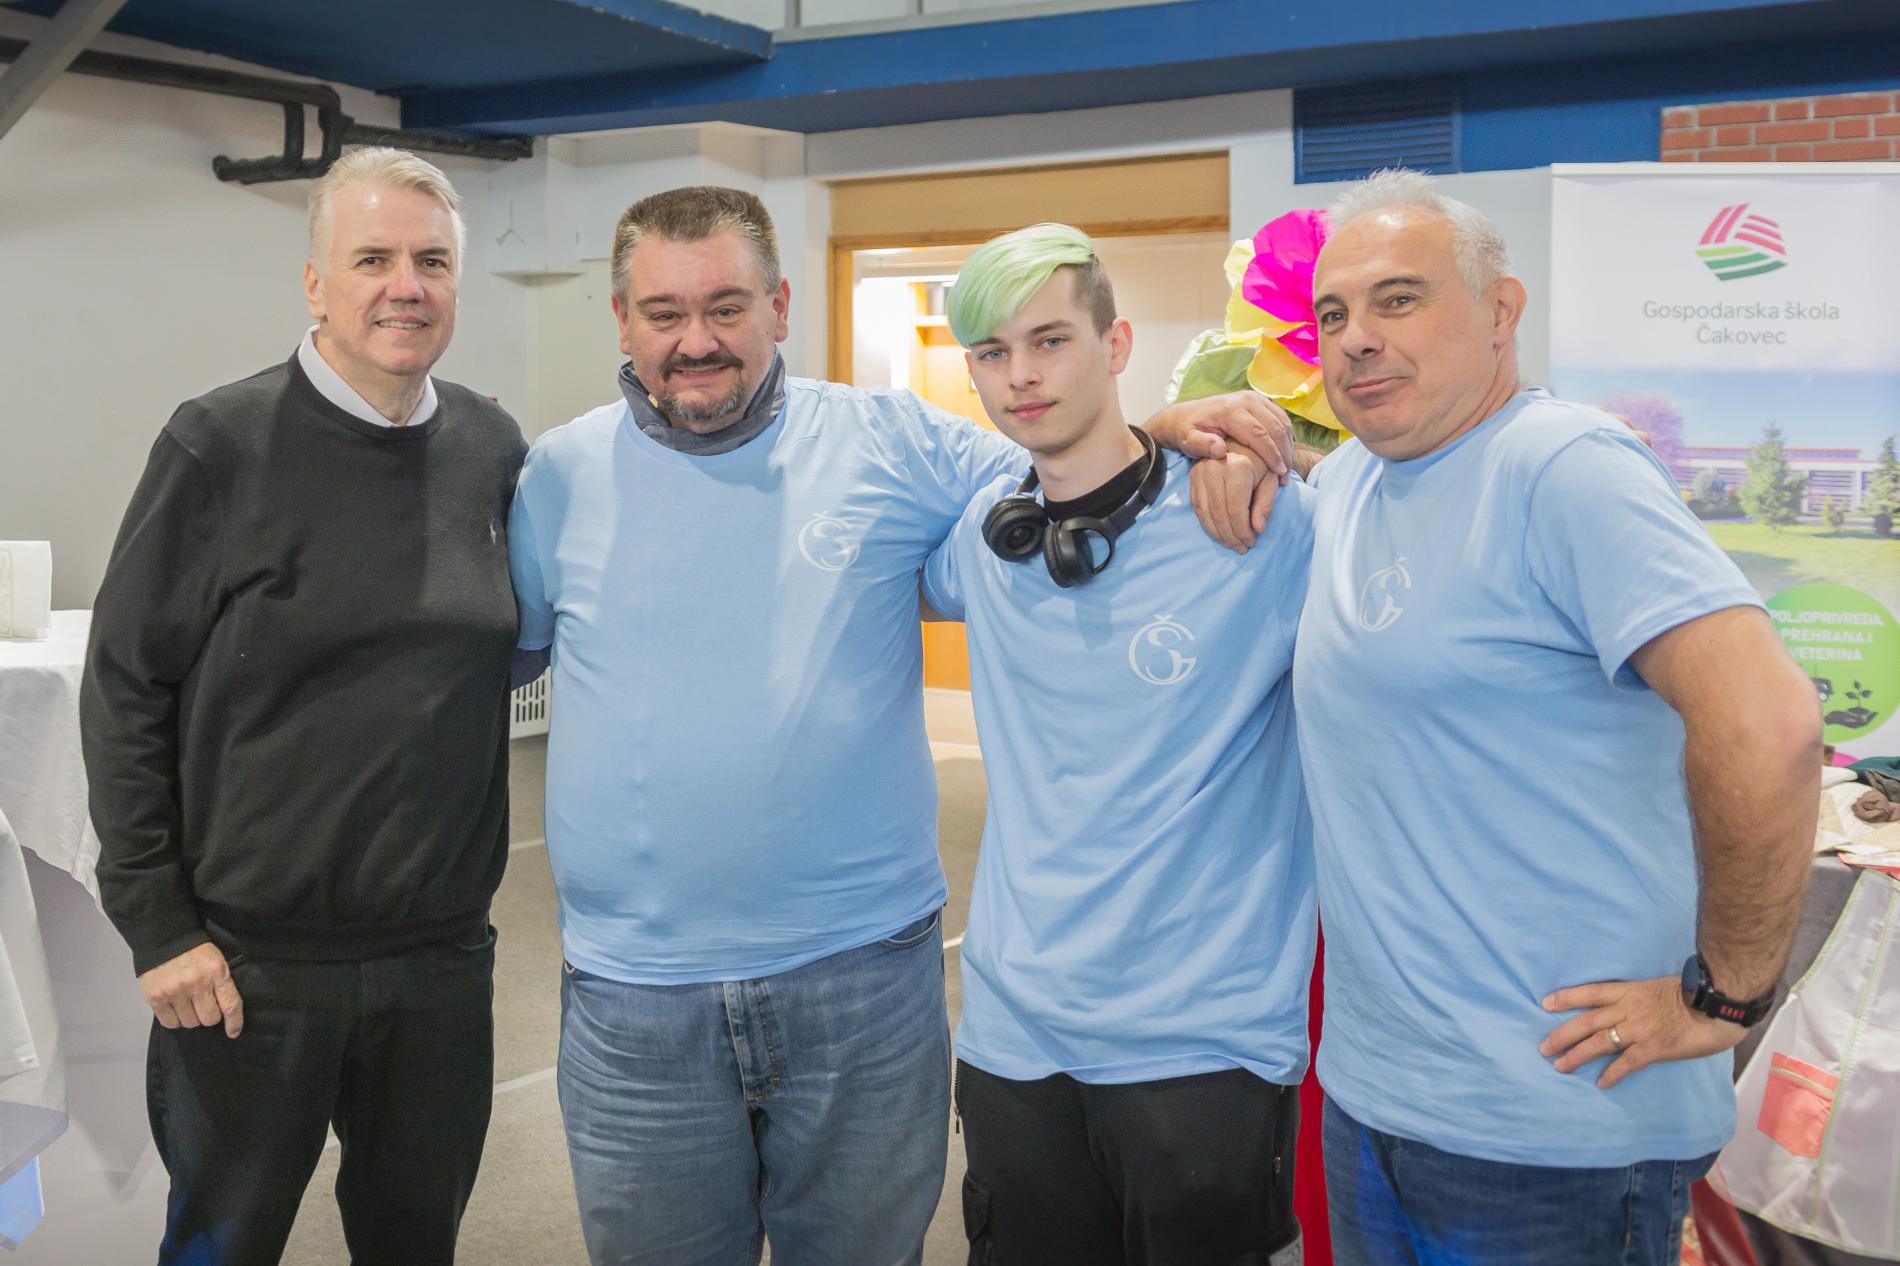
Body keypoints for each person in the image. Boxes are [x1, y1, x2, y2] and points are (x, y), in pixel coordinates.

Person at [506, 186, 1291, 1265]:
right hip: (634, 999)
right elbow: (493, 663)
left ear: (781, 305)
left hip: (862, 984)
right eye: (663, 313)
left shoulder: (894, 441)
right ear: (621, 320)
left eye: (727, 307)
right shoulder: (556, 476)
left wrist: (1164, 430)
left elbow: (1061, 471)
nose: (696, 341)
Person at [1290, 168, 1821, 1266]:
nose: (1356, 338)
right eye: (1332, 314)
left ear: (1500, 312)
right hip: (1376, 1100)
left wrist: (1725, 997)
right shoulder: (1349, 484)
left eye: (1398, 299)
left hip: (1552, 1135)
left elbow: (1767, 723)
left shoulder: (1561, 468)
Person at [82, 148, 526, 1266]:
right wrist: (159, 926)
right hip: (246, 969)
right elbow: (127, 687)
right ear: (316, 283)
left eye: (432, 262)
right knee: (221, 1250)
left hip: (439, 962)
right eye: (372, 259)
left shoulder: (491, 448)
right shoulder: (218, 445)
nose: (405, 286)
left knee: (415, 1244)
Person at [920, 222, 1311, 1265]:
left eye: (1049, 341)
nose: (1021, 375)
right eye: (992, 353)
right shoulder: (985, 537)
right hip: (1014, 1039)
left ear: (1117, 343)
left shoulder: (1257, 520)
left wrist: (1265, 450)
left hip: (1202, 1044)